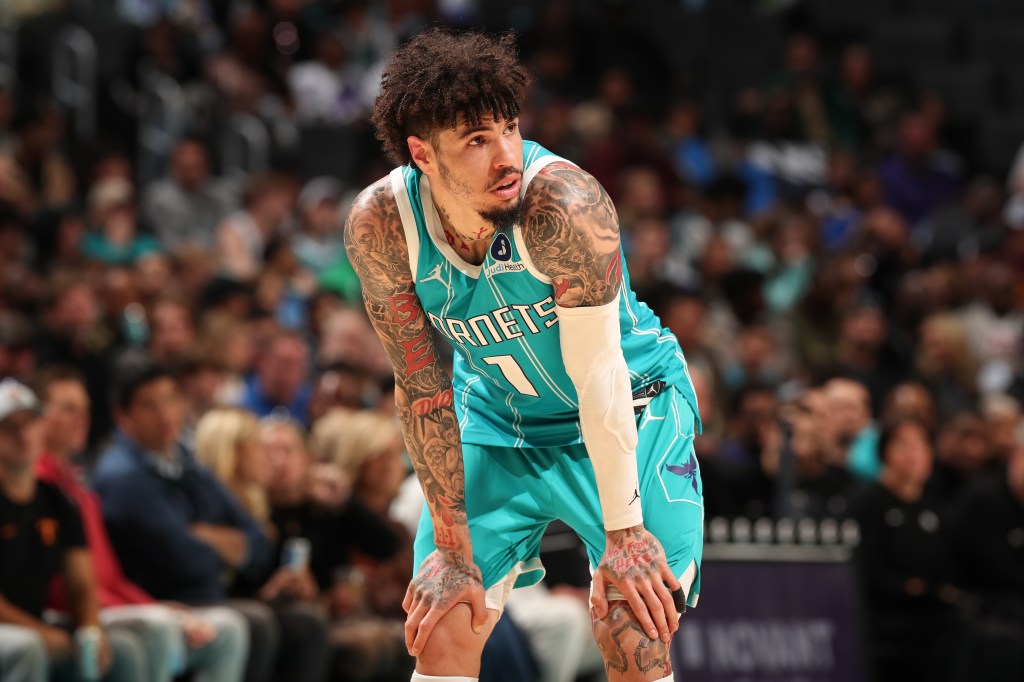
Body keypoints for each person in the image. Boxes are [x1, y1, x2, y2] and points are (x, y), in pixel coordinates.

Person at [345, 28, 703, 682]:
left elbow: (600, 373)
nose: (505, 154)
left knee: (633, 627)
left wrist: (624, 536)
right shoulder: (381, 226)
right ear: (422, 153)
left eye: (509, 128)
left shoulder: (564, 206)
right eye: (476, 141)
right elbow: (422, 388)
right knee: (443, 620)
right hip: (499, 423)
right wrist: (451, 547)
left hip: (633, 411)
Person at [33, 364, 249, 682]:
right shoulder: (37, 488)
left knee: (229, 629)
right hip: (72, 613)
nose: (81, 418)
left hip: (108, 605)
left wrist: (158, 607)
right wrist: (156, 612)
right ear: (36, 419)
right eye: (67, 409)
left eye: (84, 409)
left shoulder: (79, 490)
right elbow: (62, 588)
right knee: (157, 630)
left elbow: (111, 577)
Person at [0, 378, 141, 682]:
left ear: (42, 426)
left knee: (121, 649)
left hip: (37, 620)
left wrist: (89, 629)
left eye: (29, 423)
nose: (22, 434)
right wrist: (40, 631)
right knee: (29, 647)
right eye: (9, 427)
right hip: (19, 630)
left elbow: (81, 582)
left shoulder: (58, 500)